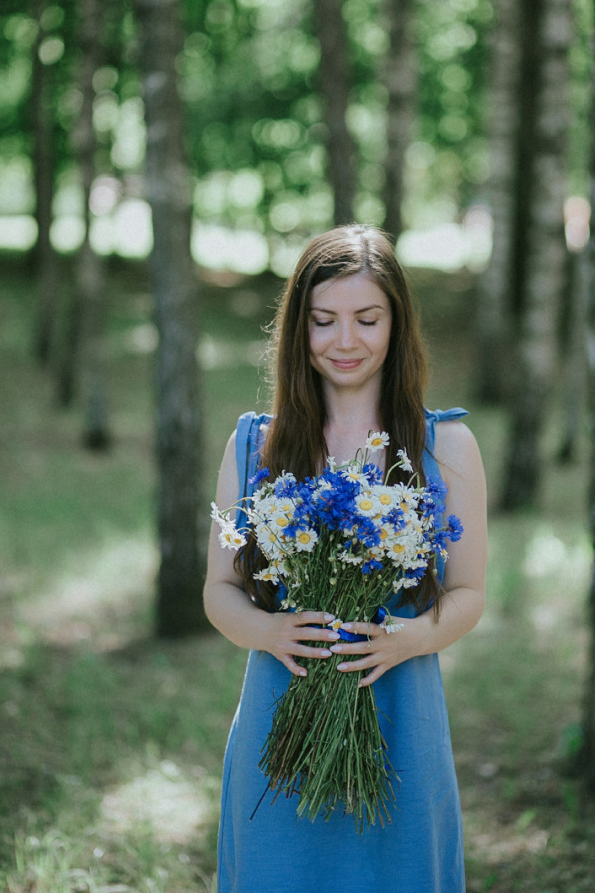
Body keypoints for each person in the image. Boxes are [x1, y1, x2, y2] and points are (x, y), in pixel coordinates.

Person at [204, 224, 488, 893]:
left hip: (399, 710)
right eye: (323, 321)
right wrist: (269, 630)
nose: (345, 341)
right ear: (299, 329)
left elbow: (469, 592)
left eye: (367, 318)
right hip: (280, 707)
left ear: (397, 323)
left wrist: (412, 636)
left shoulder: (445, 446)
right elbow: (219, 588)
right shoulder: (254, 445)